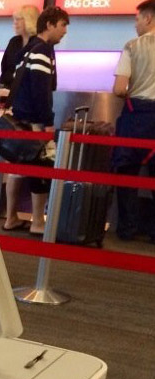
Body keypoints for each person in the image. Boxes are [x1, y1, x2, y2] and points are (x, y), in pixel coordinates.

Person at [2, 6, 70, 235]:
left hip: (19, 117)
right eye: (62, 26)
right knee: (40, 168)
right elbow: (41, 91)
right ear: (49, 25)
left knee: (16, 169)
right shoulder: (43, 50)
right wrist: (48, 121)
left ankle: (11, 217)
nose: (65, 32)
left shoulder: (28, 49)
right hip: (33, 121)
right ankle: (38, 221)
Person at [112, 0, 155, 243]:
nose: (135, 23)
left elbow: (119, 88)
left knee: (126, 173)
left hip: (136, 116)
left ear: (148, 18)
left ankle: (127, 229)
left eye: (137, 19)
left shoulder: (132, 46)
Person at [0, 5, 40, 88]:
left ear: (29, 20)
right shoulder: (13, 41)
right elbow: (4, 70)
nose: (15, 22)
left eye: (18, 19)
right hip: (9, 92)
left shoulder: (39, 44)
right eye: (14, 19)